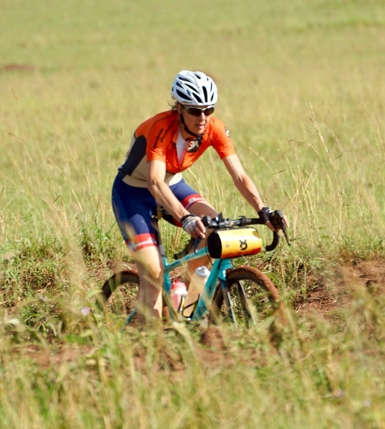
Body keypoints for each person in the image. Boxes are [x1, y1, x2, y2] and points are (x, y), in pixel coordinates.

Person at [111, 70, 283, 320]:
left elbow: (240, 176)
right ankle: (148, 344)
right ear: (179, 109)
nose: (202, 117)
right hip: (133, 193)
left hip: (174, 185)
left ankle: (186, 306)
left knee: (217, 228)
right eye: (194, 111)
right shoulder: (161, 128)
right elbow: (155, 182)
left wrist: (263, 210)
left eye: (208, 110)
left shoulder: (214, 128)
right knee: (154, 273)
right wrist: (185, 218)